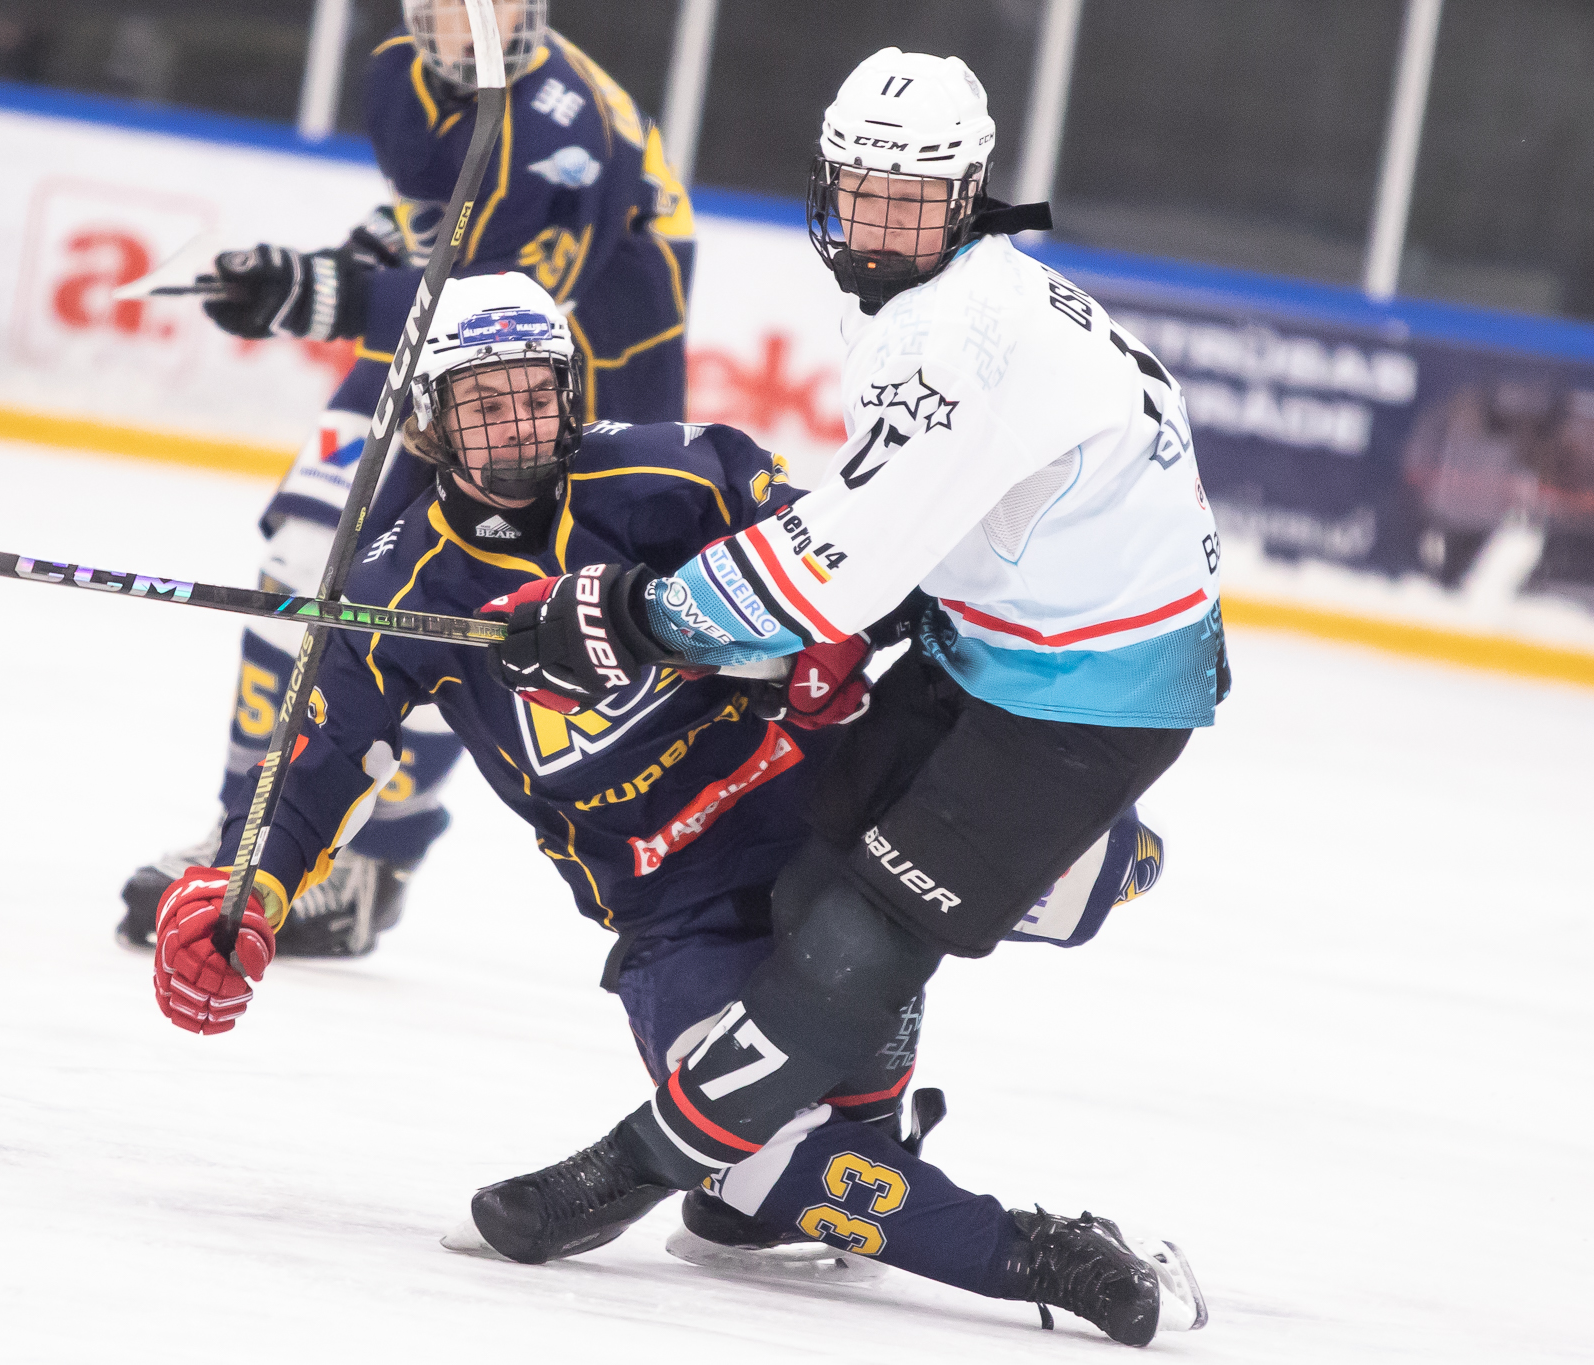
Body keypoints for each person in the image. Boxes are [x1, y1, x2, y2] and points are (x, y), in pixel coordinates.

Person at [149, 274, 1200, 1347]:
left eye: (532, 395)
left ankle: (867, 1102)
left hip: (822, 810)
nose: (515, 426)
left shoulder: (674, 471)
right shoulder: (400, 584)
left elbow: (846, 569)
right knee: (753, 1168)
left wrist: (822, 646)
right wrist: (247, 891)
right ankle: (1029, 1247)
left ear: (570, 391)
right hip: (671, 908)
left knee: (1075, 867)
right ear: (429, 419)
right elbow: (317, 769)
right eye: (481, 404)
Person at [467, 49, 1225, 1345]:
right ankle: (843, 1154)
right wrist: (877, 604)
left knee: (851, 944)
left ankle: (634, 1167)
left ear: (968, 194)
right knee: (821, 871)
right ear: (831, 183)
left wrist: (642, 616)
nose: (880, 223)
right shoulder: (944, 293)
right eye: (863, 193)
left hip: (1084, 697)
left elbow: (835, 560)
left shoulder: (948, 341)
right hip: (1005, 635)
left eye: (912, 199)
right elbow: (911, 527)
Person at [116, 0, 696, 957]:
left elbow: (508, 301)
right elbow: (434, 219)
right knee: (303, 549)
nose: (462, 15)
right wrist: (333, 265)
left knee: (448, 604)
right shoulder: (397, 69)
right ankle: (246, 843)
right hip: (435, 355)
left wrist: (323, 292)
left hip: (564, 378)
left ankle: (369, 864)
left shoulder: (567, 126)